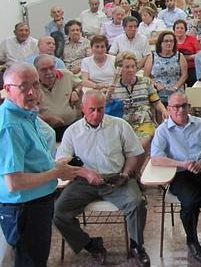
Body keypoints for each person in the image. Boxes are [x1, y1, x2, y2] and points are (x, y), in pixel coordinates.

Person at [54, 90, 150, 266]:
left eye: (100, 109)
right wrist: (85, 173)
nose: (96, 114)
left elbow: (133, 154)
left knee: (137, 203)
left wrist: (126, 174)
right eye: (91, 109)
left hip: (116, 179)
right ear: (82, 108)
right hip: (83, 181)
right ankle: (91, 245)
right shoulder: (72, 131)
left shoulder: (119, 125)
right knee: (58, 212)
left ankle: (137, 246)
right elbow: (62, 162)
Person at [0, 62, 79, 266]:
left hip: (37, 203)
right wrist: (56, 172)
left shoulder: (27, 114)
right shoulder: (10, 125)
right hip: (24, 208)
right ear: (7, 89)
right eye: (24, 86)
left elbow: (33, 159)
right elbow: (14, 182)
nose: (32, 92)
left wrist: (57, 166)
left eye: (35, 85)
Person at [151, 92, 201, 265]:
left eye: (184, 105)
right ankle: (192, 241)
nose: (181, 110)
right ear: (169, 109)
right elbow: (156, 158)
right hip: (181, 174)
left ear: (189, 106)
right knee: (191, 202)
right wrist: (181, 164)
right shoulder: (163, 130)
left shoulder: (199, 123)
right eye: (176, 107)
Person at [111, 52, 168, 153]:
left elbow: (156, 102)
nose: (131, 70)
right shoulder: (113, 87)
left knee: (141, 144)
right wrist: (107, 96)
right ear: (119, 69)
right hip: (123, 124)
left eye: (133, 66)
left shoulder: (145, 82)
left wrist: (164, 110)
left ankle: (135, 168)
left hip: (144, 122)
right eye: (127, 67)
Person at [35, 55, 83, 141]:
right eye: (44, 69)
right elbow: (27, 114)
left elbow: (80, 84)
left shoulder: (66, 75)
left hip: (72, 126)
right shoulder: (32, 85)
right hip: (46, 132)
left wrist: (75, 91)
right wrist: (48, 118)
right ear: (36, 71)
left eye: (51, 67)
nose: (49, 72)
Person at [143, 30, 188, 104]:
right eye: (166, 41)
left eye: (171, 41)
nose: (169, 43)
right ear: (160, 43)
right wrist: (156, 85)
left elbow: (184, 75)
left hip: (175, 87)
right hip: (157, 87)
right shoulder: (152, 56)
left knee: (176, 101)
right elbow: (146, 76)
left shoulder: (180, 56)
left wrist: (175, 87)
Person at [174, 19, 201, 86]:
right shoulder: (171, 40)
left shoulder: (192, 39)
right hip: (176, 68)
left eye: (182, 28)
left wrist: (189, 57)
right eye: (177, 28)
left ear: (185, 29)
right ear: (174, 30)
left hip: (191, 68)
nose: (179, 30)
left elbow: (200, 54)